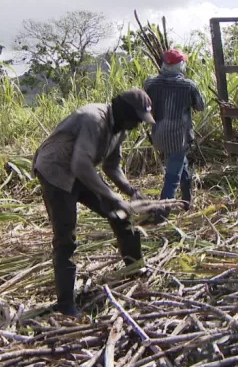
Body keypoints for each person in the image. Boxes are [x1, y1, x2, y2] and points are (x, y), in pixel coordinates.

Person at [33, 89, 154, 316]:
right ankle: (66, 305)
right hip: (56, 170)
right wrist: (113, 196)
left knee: (121, 215)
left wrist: (129, 191)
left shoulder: (119, 128)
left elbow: (111, 166)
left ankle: (135, 271)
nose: (136, 125)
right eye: (135, 119)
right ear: (124, 112)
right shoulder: (94, 119)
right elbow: (81, 165)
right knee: (65, 238)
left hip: (79, 171)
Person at [143, 48, 205, 222]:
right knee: (172, 176)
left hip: (159, 137)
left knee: (180, 163)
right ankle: (161, 214)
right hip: (179, 138)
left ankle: (186, 200)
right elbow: (200, 106)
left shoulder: (150, 84)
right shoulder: (188, 86)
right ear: (180, 65)